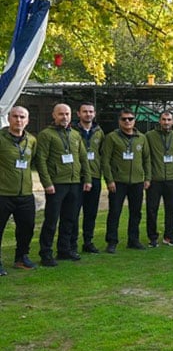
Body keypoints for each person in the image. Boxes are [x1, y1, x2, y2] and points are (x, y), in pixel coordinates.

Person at [35, 103, 91, 266]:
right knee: (51, 220)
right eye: (61, 114)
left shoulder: (75, 135)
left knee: (70, 219)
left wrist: (87, 179)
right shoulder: (46, 135)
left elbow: (83, 158)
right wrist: (47, 183)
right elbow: (41, 160)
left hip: (74, 183)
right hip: (56, 184)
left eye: (67, 114)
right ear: (54, 115)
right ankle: (46, 253)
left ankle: (64, 250)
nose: (64, 117)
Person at [101, 109, 151, 253]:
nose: (127, 121)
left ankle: (133, 240)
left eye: (130, 118)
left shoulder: (141, 138)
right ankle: (112, 242)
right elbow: (105, 160)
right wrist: (109, 180)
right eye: (124, 119)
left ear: (135, 120)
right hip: (118, 182)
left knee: (136, 213)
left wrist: (147, 178)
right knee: (114, 212)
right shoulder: (111, 137)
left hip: (137, 181)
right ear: (119, 121)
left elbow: (147, 159)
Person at [0, 106, 38, 274]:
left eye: (22, 117)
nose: (19, 120)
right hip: (3, 193)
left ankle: (21, 258)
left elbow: (33, 161)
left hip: (25, 194)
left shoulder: (32, 140)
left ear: (27, 120)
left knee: (27, 228)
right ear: (9, 118)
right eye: (15, 116)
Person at [145, 110, 173, 247]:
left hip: (171, 179)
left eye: (169, 120)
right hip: (155, 179)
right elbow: (146, 156)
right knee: (152, 209)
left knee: (171, 209)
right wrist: (147, 177)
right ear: (159, 121)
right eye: (164, 119)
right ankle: (152, 237)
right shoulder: (150, 136)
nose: (166, 122)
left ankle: (169, 236)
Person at [72, 102, 104, 254]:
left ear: (94, 113)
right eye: (85, 111)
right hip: (77, 178)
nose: (88, 114)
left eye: (91, 111)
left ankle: (88, 242)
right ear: (79, 114)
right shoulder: (72, 131)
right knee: (73, 212)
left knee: (91, 213)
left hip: (95, 176)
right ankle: (72, 243)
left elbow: (102, 154)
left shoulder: (99, 132)